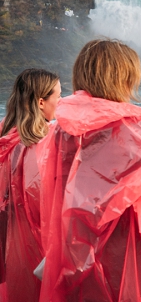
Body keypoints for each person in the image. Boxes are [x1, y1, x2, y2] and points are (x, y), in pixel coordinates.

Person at [37, 38, 141, 301]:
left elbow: (55, 189)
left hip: (79, 246)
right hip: (137, 244)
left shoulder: (62, 132)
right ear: (125, 78)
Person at [0, 69, 61, 301]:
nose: (61, 101)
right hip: (43, 244)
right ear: (41, 101)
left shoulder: (6, 137)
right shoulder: (49, 140)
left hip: (11, 245)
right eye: (59, 95)